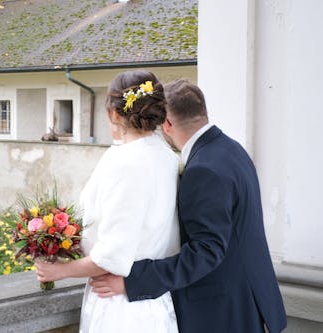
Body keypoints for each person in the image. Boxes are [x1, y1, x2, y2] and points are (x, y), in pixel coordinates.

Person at [90, 79, 287, 332]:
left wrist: (134, 281)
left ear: (167, 123)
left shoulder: (203, 169)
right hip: (250, 299)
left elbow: (206, 251)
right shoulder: (231, 149)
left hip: (223, 311)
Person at [34, 70, 181, 332]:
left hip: (119, 307)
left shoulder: (124, 162)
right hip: (153, 299)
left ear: (114, 113)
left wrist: (59, 271)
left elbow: (113, 255)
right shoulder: (168, 157)